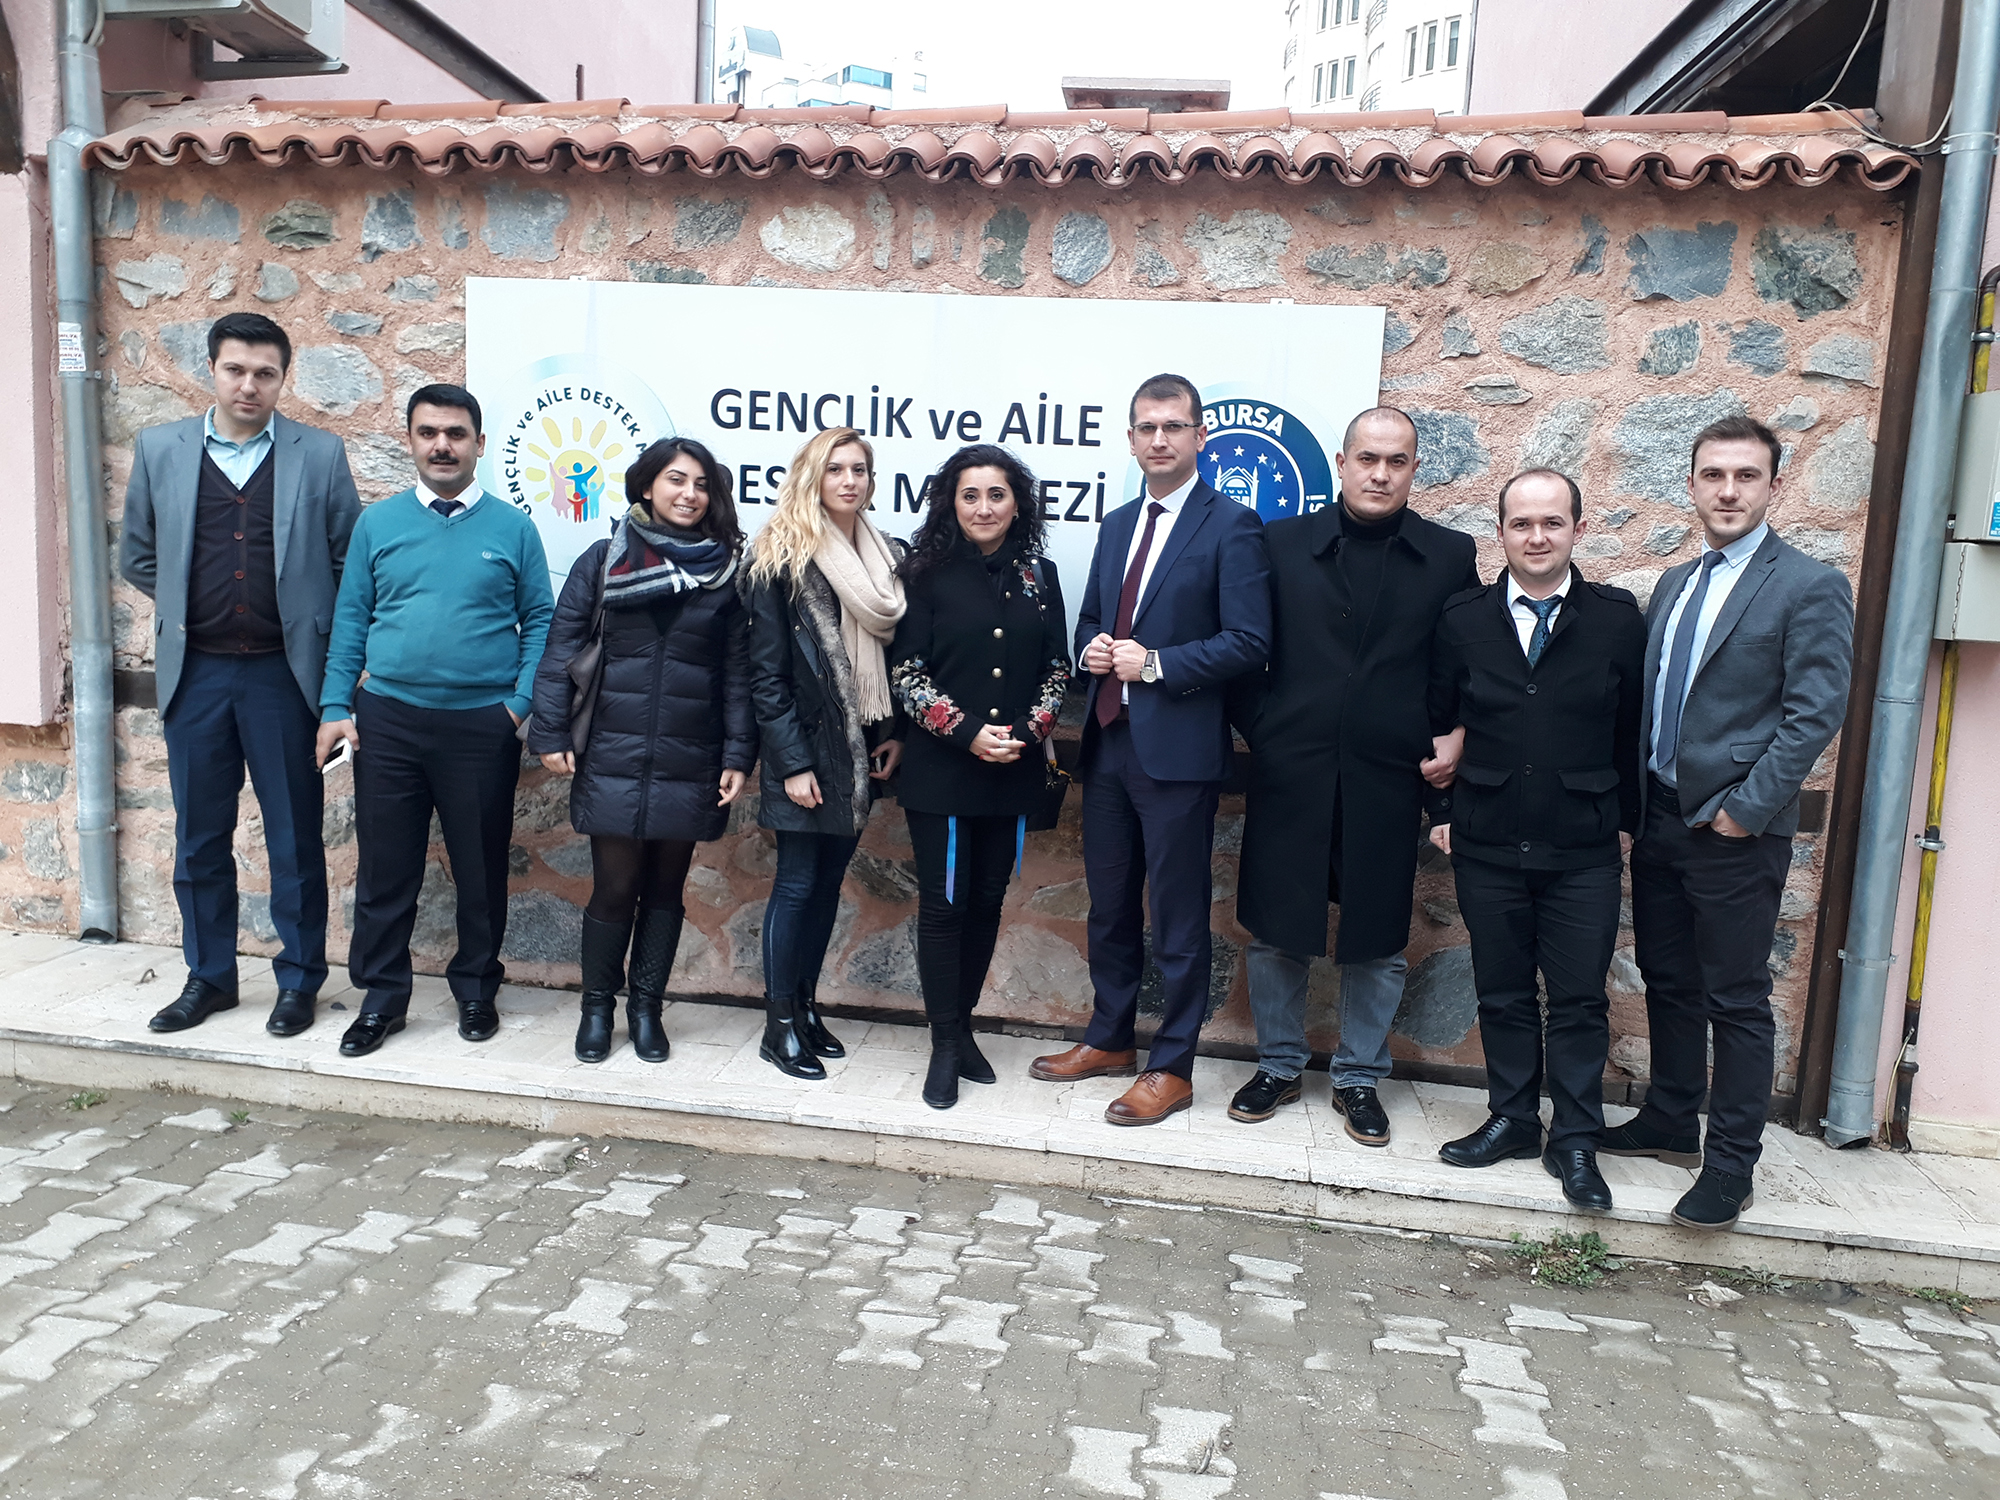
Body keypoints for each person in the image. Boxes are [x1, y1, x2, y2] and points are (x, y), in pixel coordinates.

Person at [1611, 415, 1853, 1231]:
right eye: (1713, 475)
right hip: (1660, 818)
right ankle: (1671, 1118)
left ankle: (1731, 1165)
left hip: (1733, 831)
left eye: (1746, 476)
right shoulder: (1677, 582)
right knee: (1669, 978)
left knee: (1738, 999)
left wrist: (1745, 812)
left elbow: (1814, 714)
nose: (1728, 490)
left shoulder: (1809, 585)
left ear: (1773, 486)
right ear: (1691, 484)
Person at [1029, 374, 1272, 1126]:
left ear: (1200, 436)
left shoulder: (1232, 525)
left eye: (1173, 426)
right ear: (1131, 439)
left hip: (1178, 755)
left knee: (1176, 916)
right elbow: (1090, 621)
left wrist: (1158, 663)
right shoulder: (1115, 525)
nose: (1159, 439)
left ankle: (1172, 1066)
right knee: (1108, 906)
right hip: (1108, 744)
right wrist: (1092, 650)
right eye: (1146, 427)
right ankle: (1110, 1038)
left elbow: (1250, 641)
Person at [1230, 407, 1478, 1144]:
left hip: (1388, 773)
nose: (1380, 473)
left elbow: (1461, 663)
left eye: (1396, 461)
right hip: (1292, 768)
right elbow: (1243, 649)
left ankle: (1359, 1077)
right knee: (1277, 930)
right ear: (1342, 464)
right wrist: (1267, 730)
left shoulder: (1449, 555)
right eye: (1368, 458)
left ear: (1414, 470)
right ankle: (1278, 1064)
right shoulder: (1280, 542)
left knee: (1377, 936)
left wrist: (1454, 739)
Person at [117, 312, 361, 1039]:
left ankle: (299, 982)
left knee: (294, 839)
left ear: (283, 379)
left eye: (264, 373)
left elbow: (348, 563)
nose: (248, 385)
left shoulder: (320, 454)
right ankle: (210, 978)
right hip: (196, 675)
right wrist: (191, 607)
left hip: (285, 680)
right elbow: (138, 555)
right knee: (199, 838)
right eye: (235, 370)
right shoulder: (160, 449)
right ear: (212, 371)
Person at [1425, 470, 1647, 1212]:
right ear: (1501, 534)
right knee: (1504, 992)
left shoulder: (1616, 620)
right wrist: (1441, 810)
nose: (1537, 537)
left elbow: (1632, 730)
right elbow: (1439, 717)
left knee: (1579, 999)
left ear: (1579, 529)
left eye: (1552, 522)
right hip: (1487, 838)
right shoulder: (1463, 619)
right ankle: (1515, 1119)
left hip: (1582, 848)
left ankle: (1576, 1137)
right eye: (1522, 524)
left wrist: (1628, 824)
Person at [317, 385, 554, 1058]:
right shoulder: (379, 524)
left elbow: (541, 619)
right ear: (411, 441)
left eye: (455, 433)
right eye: (428, 433)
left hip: (481, 725)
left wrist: (518, 704)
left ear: (479, 444)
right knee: (385, 868)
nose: (442, 445)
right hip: (389, 721)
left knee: (480, 867)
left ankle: (476, 990)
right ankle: (382, 1000)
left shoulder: (513, 528)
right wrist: (336, 706)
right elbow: (351, 620)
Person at [527, 438, 755, 1065]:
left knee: (664, 890)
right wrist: (550, 733)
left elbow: (738, 672)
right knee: (614, 887)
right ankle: (597, 1008)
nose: (690, 494)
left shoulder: (728, 572)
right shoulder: (604, 558)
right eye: (676, 480)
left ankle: (647, 1009)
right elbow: (560, 649)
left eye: (702, 484)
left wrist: (738, 754)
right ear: (647, 486)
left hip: (692, 754)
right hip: (612, 751)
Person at [890, 445, 1071, 1109]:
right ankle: (943, 1044)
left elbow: (1057, 667)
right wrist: (967, 732)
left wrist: (1030, 730)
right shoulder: (923, 573)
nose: (984, 507)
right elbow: (906, 672)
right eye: (971, 495)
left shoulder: (1039, 575)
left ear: (1017, 504)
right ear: (951, 503)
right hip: (943, 770)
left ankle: (962, 1029)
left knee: (988, 901)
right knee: (944, 907)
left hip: (1013, 767)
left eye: (997, 494)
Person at [743, 427, 907, 1080]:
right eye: (835, 469)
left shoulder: (885, 556)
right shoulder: (779, 556)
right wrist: (792, 765)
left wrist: (893, 732)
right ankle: (778, 1025)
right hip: (806, 754)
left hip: (859, 751)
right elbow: (766, 677)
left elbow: (891, 661)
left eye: (859, 469)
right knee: (796, 884)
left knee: (826, 886)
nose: (848, 480)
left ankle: (806, 1009)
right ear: (812, 477)